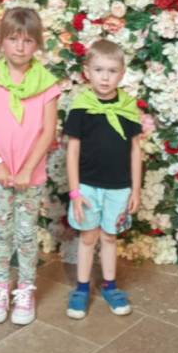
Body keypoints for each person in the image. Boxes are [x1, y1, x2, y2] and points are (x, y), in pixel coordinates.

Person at [0, 6, 61, 326]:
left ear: (37, 44)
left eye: (28, 40)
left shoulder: (47, 84)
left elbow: (48, 131)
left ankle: (25, 289)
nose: (20, 47)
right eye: (13, 39)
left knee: (25, 233)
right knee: (0, 232)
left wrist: (26, 169)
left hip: (29, 175)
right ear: (1, 42)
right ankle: (0, 288)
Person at [64, 38, 142, 319]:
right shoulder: (81, 107)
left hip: (119, 187)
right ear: (87, 72)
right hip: (87, 186)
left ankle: (110, 285)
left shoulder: (128, 107)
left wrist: (135, 189)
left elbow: (135, 150)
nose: (105, 77)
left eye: (112, 71)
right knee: (88, 237)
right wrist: (75, 192)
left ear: (122, 73)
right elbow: (72, 152)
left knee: (110, 237)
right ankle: (82, 287)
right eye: (99, 70)